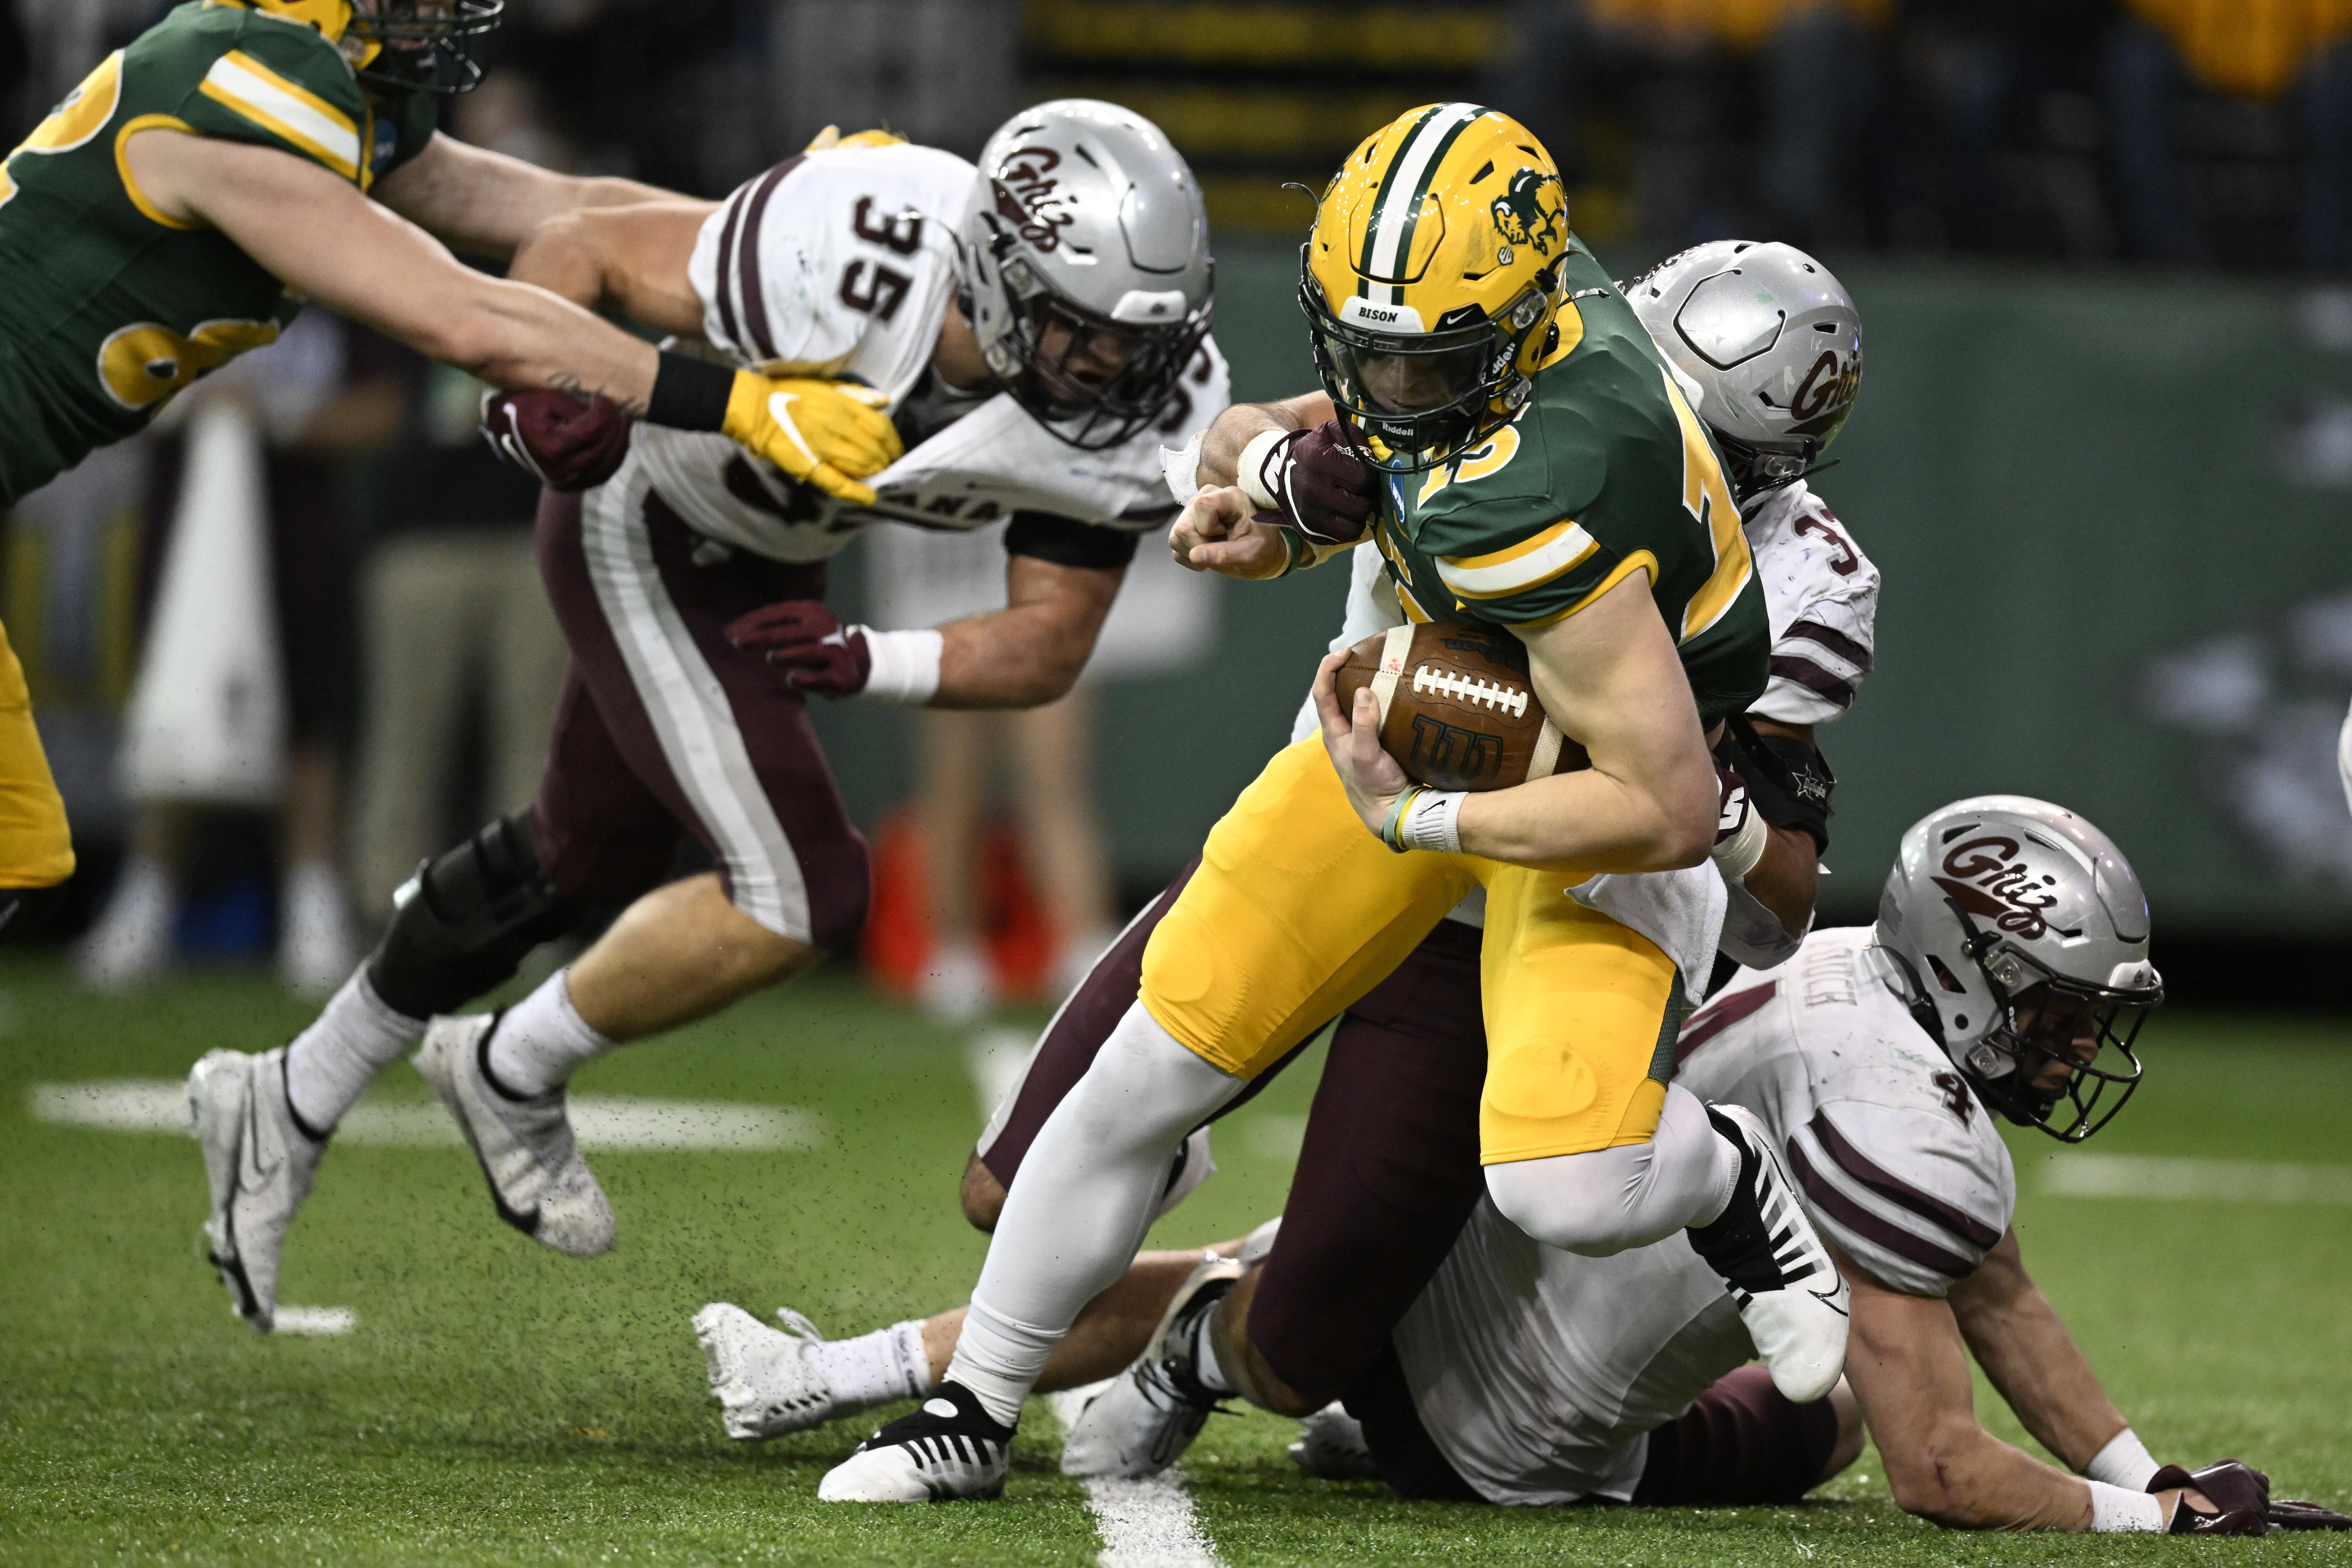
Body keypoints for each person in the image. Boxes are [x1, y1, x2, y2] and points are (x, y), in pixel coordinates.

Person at [815, 104, 1850, 1504]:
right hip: (1423, 729)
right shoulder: (1493, 318)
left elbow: (1665, 806)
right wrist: (1261, 496)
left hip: (1579, 791)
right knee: (1149, 1062)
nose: (1380, 381)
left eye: (1417, 361)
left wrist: (1422, 820)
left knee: (1568, 1186)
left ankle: (1728, 1183)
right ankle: (970, 1409)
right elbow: (1288, 437)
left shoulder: (1543, 492)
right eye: (1364, 344)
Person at [184, 99, 1225, 1332]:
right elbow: (584, 241)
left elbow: (1046, 640)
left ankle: (289, 1093)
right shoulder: (854, 251)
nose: (1110, 369)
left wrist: (867, 656)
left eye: (1137, 339)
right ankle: (507, 1066)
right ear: (992, 274)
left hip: (771, 563)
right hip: (644, 511)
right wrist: (527, 409)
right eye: (1076, 330)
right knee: (806, 890)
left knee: (579, 857)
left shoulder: (1143, 405)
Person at [703, 796, 2350, 1537]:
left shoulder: (1847, 968)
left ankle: (831, 1369)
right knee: (1841, 1399)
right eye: (2056, 1014)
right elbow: (1940, 1469)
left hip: (1506, 1217)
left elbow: (1995, 1277)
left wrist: (2148, 1463)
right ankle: (1280, 1383)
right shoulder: (1901, 1110)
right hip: (1501, 1440)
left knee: (1298, 1244)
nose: (2070, 1049)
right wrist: (2148, 1525)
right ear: (1974, 972)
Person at [0, 0, 907, 929]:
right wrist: (739, 405)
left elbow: (563, 207)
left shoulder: (302, 81)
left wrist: (781, 221)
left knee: (17, 845)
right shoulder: (246, 81)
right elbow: (466, 318)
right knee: (13, 846)